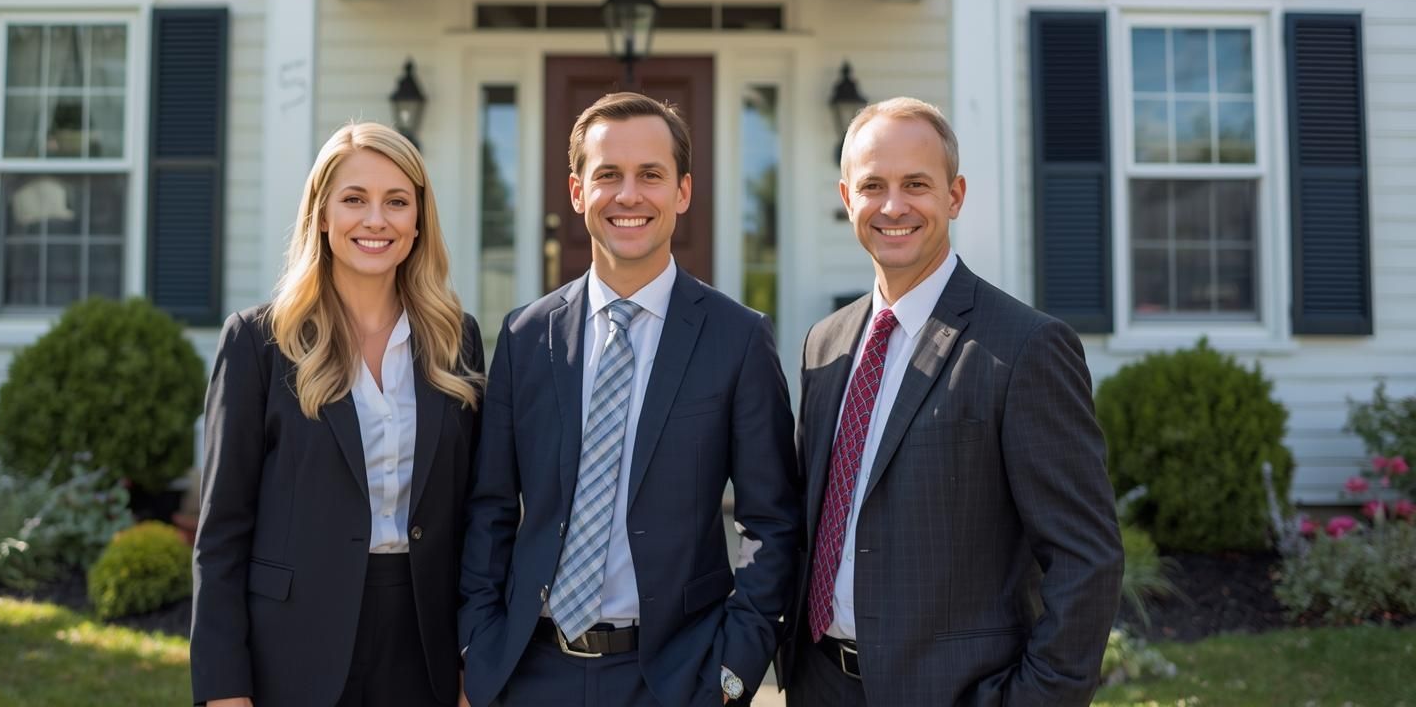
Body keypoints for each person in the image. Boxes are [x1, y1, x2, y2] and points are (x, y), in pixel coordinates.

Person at [459, 92, 800, 707]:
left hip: (676, 676)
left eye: (651, 175)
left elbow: (772, 523)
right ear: (575, 192)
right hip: (529, 672)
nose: (628, 195)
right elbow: (489, 511)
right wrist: (477, 650)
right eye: (607, 175)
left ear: (683, 192)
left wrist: (732, 672)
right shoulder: (523, 337)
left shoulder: (739, 338)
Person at [781, 98, 1122, 707]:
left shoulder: (1025, 349)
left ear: (955, 195)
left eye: (917, 184)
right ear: (846, 197)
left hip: (954, 692)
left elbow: (1085, 559)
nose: (894, 206)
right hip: (821, 685)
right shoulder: (824, 345)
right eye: (873, 186)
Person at [191, 122, 484, 707]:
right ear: (322, 216)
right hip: (293, 647)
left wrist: (475, 663)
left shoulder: (457, 341)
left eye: (397, 202)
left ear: (418, 220)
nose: (376, 220)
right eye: (354, 200)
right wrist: (224, 689)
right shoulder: (258, 343)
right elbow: (221, 533)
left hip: (426, 643)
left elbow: (479, 519)